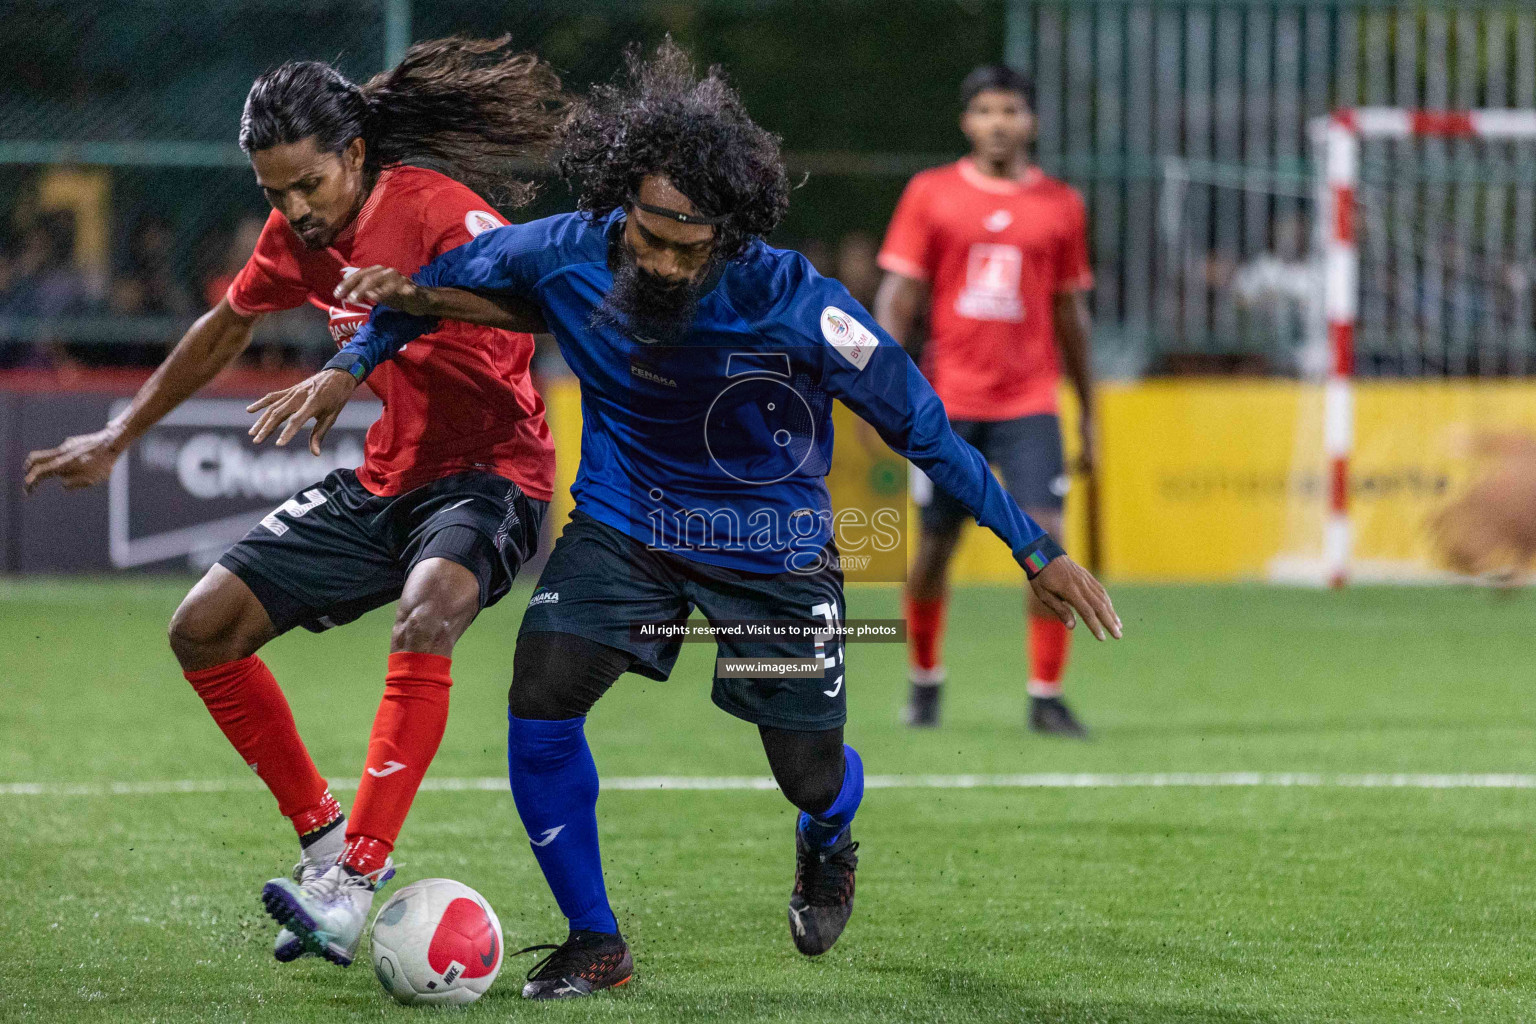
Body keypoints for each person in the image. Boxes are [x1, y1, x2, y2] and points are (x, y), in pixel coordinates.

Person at [254, 40, 1120, 999]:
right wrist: (350, 361)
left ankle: (828, 834)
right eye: (646, 236)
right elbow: (423, 290)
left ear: (730, 233)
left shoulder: (798, 303)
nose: (660, 261)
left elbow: (928, 431)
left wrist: (1034, 546)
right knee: (541, 695)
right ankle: (597, 942)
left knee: (807, 772)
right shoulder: (570, 247)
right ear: (620, 206)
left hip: (769, 551)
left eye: (686, 244)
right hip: (627, 527)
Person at [22, 36, 565, 967]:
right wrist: (121, 435)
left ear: (354, 153)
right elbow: (227, 321)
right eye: (274, 193)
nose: (293, 210)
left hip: (495, 474)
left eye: (308, 185)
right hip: (389, 478)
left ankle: (356, 880)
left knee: (425, 614)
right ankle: (322, 839)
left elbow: (546, 302)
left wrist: (398, 319)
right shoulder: (296, 238)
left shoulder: (438, 210)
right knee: (201, 628)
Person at [874, 65, 1098, 736]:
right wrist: (883, 386)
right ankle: (923, 680)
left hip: (1030, 402)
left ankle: (1046, 695)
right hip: (949, 405)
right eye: (985, 110)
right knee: (935, 550)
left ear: (1031, 122)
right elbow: (898, 297)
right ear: (967, 122)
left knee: (1047, 541)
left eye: (1011, 110)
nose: (998, 122)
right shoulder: (931, 193)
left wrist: (1087, 407)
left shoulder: (1061, 204)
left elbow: (1070, 315)